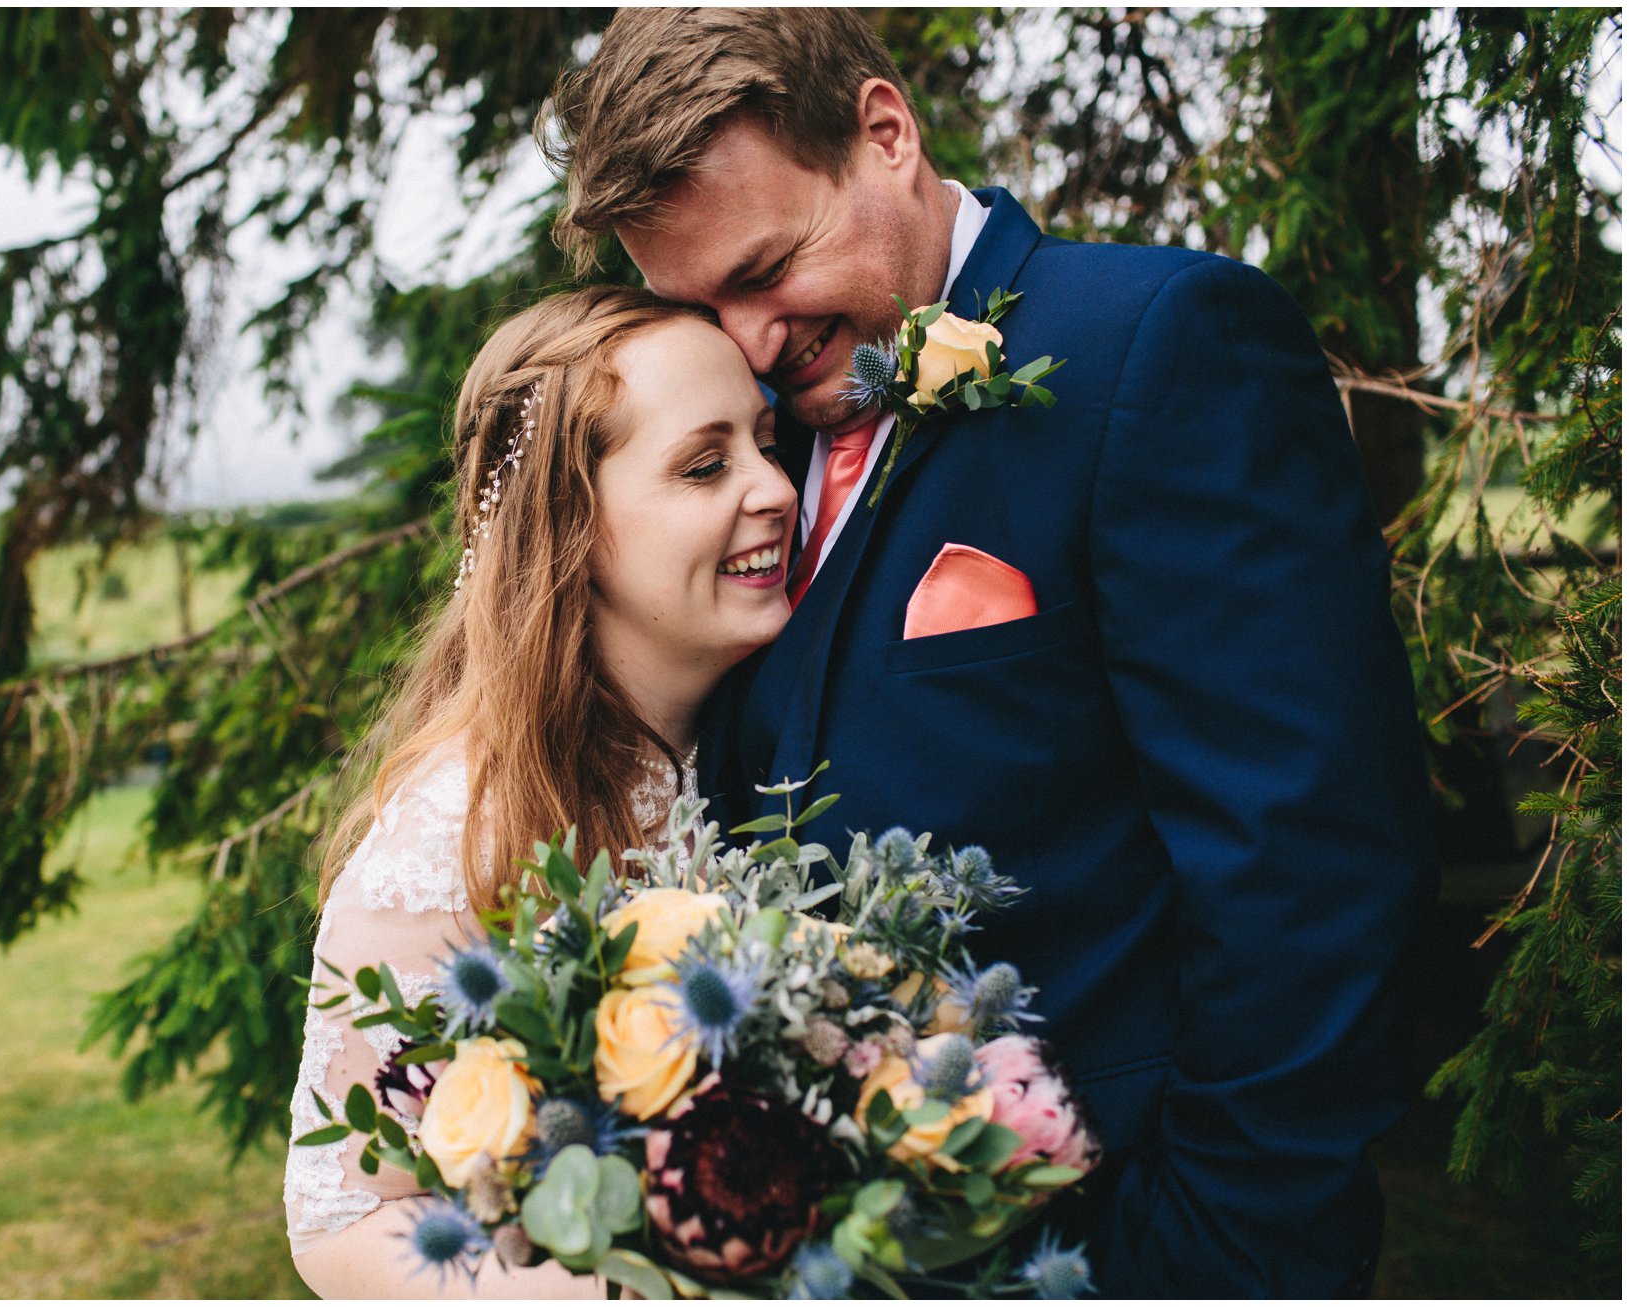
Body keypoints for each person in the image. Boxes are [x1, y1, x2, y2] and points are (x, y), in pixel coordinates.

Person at [545, 9, 1433, 1298]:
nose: (742, 341)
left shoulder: (1163, 347)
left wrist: (1218, 1251)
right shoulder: (750, 451)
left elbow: (1312, 875)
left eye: (766, 265)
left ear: (885, 134)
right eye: (696, 304)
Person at [282, 286, 797, 1298]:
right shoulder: (459, 826)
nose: (774, 487)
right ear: (568, 525)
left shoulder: (759, 743)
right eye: (706, 463)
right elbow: (344, 1218)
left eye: (765, 442)